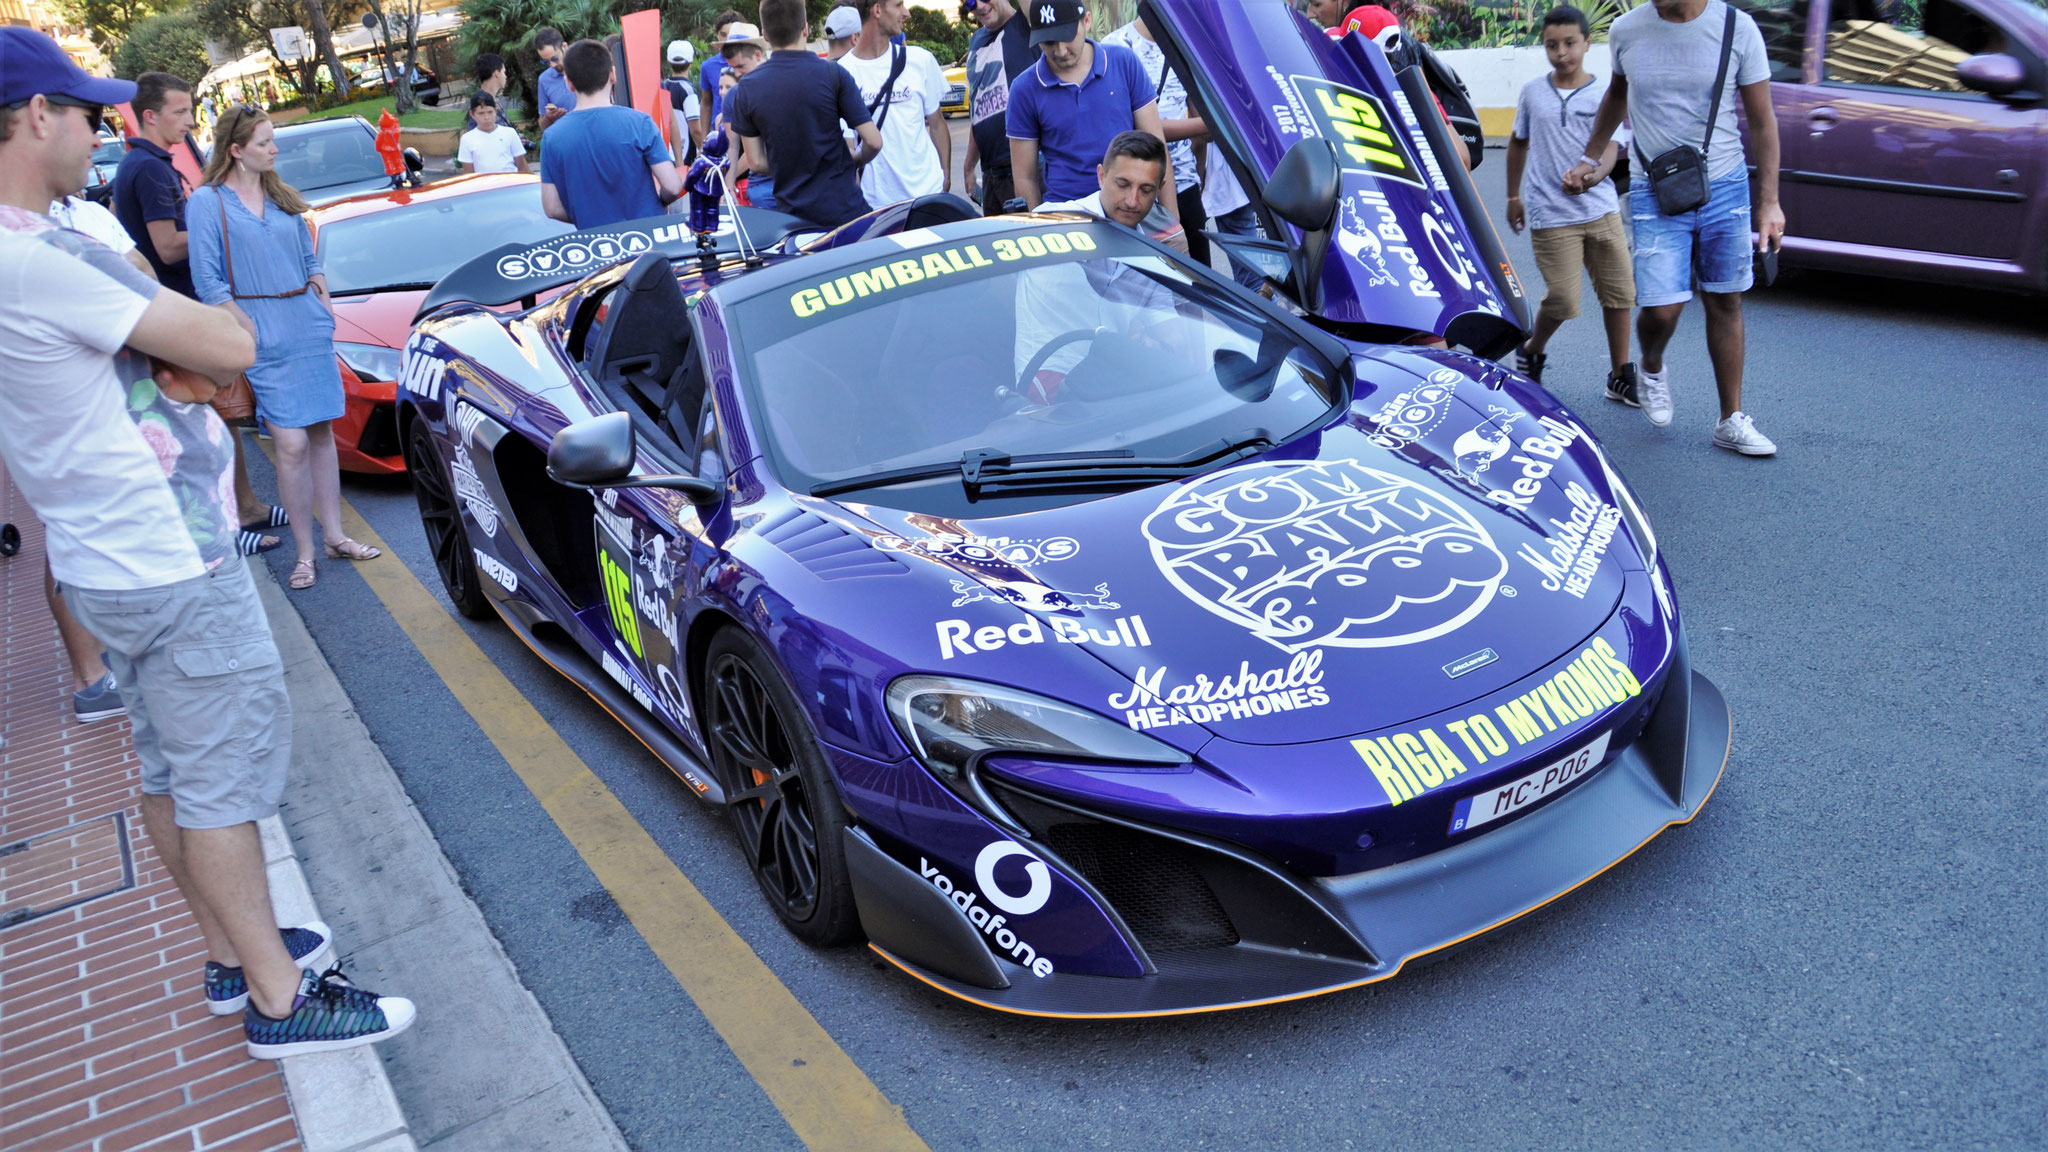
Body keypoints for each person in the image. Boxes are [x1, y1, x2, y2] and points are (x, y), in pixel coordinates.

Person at [0, 26, 416, 1060]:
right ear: (36, 117)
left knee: (168, 770)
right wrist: (181, 335)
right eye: (86, 112)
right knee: (221, 782)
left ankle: (234, 952)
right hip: (166, 556)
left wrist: (171, 329)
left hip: (109, 560)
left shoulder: (55, 237)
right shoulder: (43, 253)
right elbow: (221, 344)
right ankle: (281, 996)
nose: (105, 128)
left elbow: (183, 330)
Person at [1565, 0, 1782, 455]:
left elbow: (1763, 121)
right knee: (1663, 308)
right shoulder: (1628, 30)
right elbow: (1618, 95)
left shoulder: (1736, 28)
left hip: (1725, 183)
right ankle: (1651, 362)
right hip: (1653, 187)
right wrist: (1591, 156)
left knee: (1726, 298)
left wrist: (1770, 203)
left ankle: (1731, 419)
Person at [187, 104, 382, 591]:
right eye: (264, 143)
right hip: (260, 330)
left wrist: (321, 289)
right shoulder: (207, 201)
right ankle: (304, 552)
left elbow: (307, 254)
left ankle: (335, 536)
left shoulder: (279, 193)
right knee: (290, 444)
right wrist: (244, 328)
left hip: (306, 324)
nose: (275, 149)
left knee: (320, 437)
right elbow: (207, 279)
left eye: (273, 140)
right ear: (236, 150)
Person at [114, 70, 285, 558]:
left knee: (226, 416)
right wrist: (221, 231)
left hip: (179, 307)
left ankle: (246, 506)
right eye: (180, 112)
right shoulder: (147, 169)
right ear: (150, 116)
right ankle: (229, 522)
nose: (190, 121)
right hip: (178, 309)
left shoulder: (152, 164)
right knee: (209, 419)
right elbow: (167, 247)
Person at [1505, 5, 1637, 398]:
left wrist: (1594, 176)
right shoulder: (1533, 92)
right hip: (1551, 213)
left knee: (1619, 295)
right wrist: (1513, 195)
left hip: (1601, 209)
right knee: (1562, 300)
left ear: (1587, 43)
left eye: (1569, 43)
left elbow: (1611, 148)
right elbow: (1518, 142)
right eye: (1551, 45)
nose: (1561, 53)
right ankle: (1532, 349)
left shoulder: (1604, 92)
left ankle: (1620, 375)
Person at [1005, 0, 1175, 223]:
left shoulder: (1123, 62)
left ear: (1086, 21)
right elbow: (1025, 177)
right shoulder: (1024, 89)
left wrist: (1172, 223)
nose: (1060, 50)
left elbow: (1157, 150)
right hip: (1067, 216)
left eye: (1067, 37)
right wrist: (1040, 230)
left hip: (1134, 208)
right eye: (1048, 42)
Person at [726, 0, 882, 231]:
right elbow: (873, 141)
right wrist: (853, 159)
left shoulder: (746, 89)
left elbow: (756, 161)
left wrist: (793, 165)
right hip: (846, 212)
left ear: (765, 35)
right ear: (806, 29)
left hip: (794, 221)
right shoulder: (833, 74)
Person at [538, 39, 683, 230]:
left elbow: (552, 208)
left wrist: (586, 217)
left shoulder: (552, 138)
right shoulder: (640, 123)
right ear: (613, 75)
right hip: (649, 239)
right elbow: (672, 186)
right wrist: (657, 203)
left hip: (596, 246)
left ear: (568, 83)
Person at [1099, 16, 1206, 262]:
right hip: (1136, 186)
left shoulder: (1187, 46)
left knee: (1199, 285)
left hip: (1184, 184)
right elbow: (1135, 127)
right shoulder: (1117, 46)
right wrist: (1206, 125)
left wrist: (1199, 172)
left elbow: (1203, 130)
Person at [840, 0, 950, 209]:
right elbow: (847, 147)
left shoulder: (920, 60)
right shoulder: (842, 73)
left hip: (929, 195)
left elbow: (937, 124)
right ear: (878, 10)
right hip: (877, 207)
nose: (906, 13)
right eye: (899, 5)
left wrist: (944, 177)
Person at [1036, 129, 1183, 252]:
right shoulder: (1050, 224)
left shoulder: (1162, 252)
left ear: (1159, 190)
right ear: (1101, 176)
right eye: (1123, 185)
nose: (1132, 201)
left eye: (1145, 190)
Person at [961, 0, 1029, 213]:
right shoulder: (976, 41)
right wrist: (969, 165)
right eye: (970, 3)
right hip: (990, 172)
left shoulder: (1026, 24)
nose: (979, 6)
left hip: (1024, 167)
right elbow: (978, 110)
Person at [719, 22, 775, 210]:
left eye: (740, 66)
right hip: (762, 186)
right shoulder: (734, 96)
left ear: (758, 56)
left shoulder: (781, 83)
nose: (736, 73)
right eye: (732, 67)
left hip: (798, 181)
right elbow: (732, 146)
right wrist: (728, 187)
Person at [697, 10, 745, 143]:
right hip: (719, 132)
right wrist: (704, 141)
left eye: (731, 34)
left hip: (746, 133)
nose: (726, 39)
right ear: (717, 34)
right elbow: (706, 102)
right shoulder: (708, 66)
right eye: (722, 34)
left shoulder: (749, 64)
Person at [457, 93, 528, 174]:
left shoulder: (510, 133)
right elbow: (469, 174)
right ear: (472, 114)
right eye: (481, 113)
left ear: (496, 111)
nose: (486, 117)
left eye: (490, 112)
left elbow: (521, 167)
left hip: (510, 182)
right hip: (484, 185)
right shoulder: (467, 139)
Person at [661, 39, 703, 162]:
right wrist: (704, 150)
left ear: (669, 61)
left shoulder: (664, 86)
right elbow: (695, 129)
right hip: (685, 156)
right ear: (691, 61)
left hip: (666, 152)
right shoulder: (688, 91)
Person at [535, 27, 573, 132]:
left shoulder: (587, 68)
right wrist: (548, 117)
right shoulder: (544, 80)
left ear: (564, 47)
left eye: (555, 59)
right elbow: (543, 127)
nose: (552, 65)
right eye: (545, 62)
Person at [464, 52, 515, 131]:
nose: (505, 76)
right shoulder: (479, 104)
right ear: (496, 73)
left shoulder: (495, 100)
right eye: (504, 72)